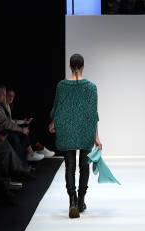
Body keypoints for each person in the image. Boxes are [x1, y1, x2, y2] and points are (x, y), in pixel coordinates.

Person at [49, 53, 102, 218]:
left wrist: (53, 123)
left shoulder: (61, 86)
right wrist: (97, 137)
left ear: (70, 66)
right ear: (83, 66)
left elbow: (57, 109)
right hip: (85, 129)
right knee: (84, 166)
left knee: (70, 167)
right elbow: (93, 115)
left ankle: (72, 201)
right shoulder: (91, 87)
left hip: (66, 130)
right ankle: (81, 202)